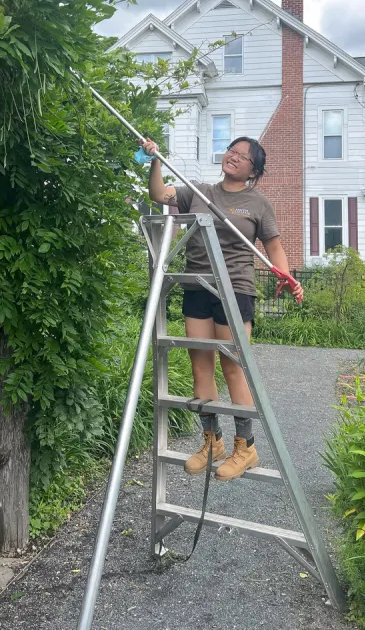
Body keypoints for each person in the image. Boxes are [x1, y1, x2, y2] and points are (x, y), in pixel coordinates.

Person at [141, 135, 303, 481]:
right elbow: (158, 194)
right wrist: (155, 159)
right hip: (196, 286)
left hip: (236, 289)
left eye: (243, 156)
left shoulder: (258, 204)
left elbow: (274, 248)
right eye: (232, 150)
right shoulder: (196, 192)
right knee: (200, 364)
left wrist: (286, 276)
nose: (234, 157)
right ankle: (210, 442)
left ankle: (245, 447)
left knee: (233, 367)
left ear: (253, 170)